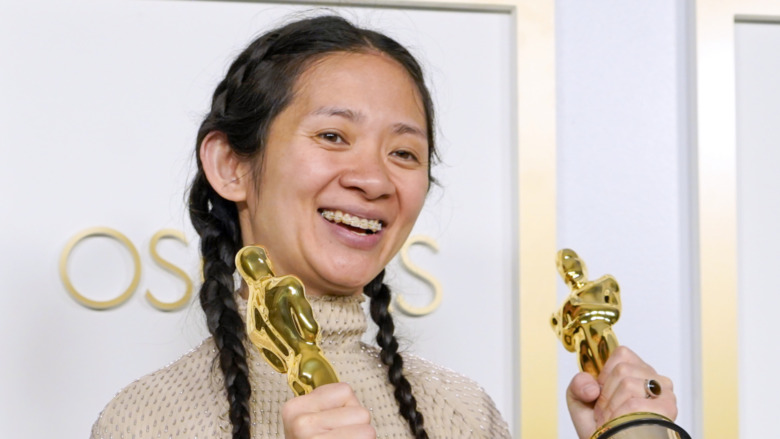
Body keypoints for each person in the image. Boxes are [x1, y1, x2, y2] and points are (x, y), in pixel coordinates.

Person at [90, 15, 678, 439]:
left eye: (403, 153)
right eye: (332, 136)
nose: (372, 179)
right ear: (230, 165)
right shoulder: (147, 421)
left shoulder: (461, 413)